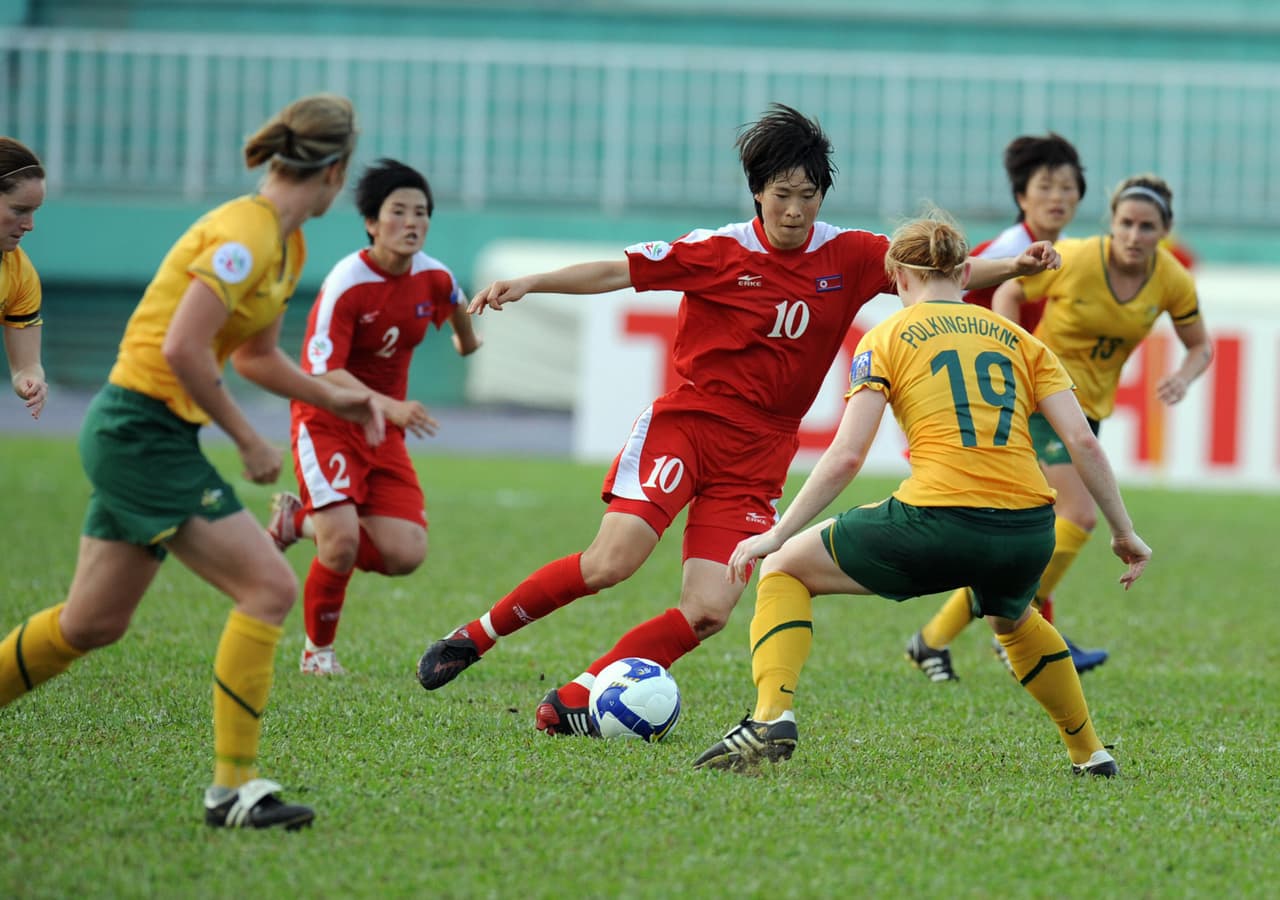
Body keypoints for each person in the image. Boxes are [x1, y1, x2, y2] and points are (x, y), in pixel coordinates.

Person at [415, 103, 1060, 736]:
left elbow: (940, 272)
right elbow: (617, 269)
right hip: (692, 424)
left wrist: (1016, 266)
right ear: (757, 193)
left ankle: (581, 695)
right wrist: (533, 283)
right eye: (781, 194)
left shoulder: (854, 255)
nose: (794, 210)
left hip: (762, 452)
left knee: (709, 609)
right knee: (611, 562)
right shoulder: (718, 251)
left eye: (807, 195)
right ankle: (473, 637)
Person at [0, 94, 384, 830]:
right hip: (139, 429)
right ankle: (231, 791)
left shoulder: (287, 243)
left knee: (90, 624)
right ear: (333, 172)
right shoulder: (246, 232)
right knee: (269, 587)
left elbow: (257, 357)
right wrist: (245, 438)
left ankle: (230, 791)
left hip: (152, 434)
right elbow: (181, 347)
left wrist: (337, 399)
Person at [692, 212, 1151, 777]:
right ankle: (1091, 754)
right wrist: (1124, 531)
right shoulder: (1020, 341)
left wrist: (775, 533)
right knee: (1011, 616)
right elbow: (1082, 439)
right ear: (962, 273)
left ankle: (770, 717)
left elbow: (846, 456)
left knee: (786, 568)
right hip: (1028, 529)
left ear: (899, 276)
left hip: (937, 522)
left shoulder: (884, 337)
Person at [904, 174, 1211, 683]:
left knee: (1026, 534)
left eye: (1147, 227)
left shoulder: (1172, 280)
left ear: (1165, 231)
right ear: (1111, 224)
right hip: (1040, 400)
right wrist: (1015, 348)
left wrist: (1182, 377)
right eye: (1126, 224)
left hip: (1085, 408)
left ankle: (935, 638)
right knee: (1080, 515)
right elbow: (1010, 288)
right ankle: (1014, 612)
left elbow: (1201, 346)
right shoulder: (1081, 258)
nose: (1135, 236)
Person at [266, 158, 481, 675]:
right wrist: (389, 406)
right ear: (371, 221)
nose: (412, 223)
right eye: (398, 211)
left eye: (422, 213)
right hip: (328, 419)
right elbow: (323, 370)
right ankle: (318, 655)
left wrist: (465, 340)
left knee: (406, 552)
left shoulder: (434, 276)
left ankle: (296, 521)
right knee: (340, 544)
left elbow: (454, 302)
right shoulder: (348, 282)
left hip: (382, 432)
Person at [907, 132, 1108, 678]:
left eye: (1068, 187)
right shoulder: (1003, 255)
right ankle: (1001, 626)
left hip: (1026, 397)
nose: (1058, 197)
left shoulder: (1071, 256)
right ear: (1022, 196)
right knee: (1071, 514)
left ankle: (1005, 630)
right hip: (995, 402)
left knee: (1034, 521)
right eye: (1046, 186)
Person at [1, 138, 49, 420]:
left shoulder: (20, 272)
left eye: (33, 212)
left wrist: (28, 381)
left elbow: (27, 365)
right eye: (19, 210)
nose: (29, 225)